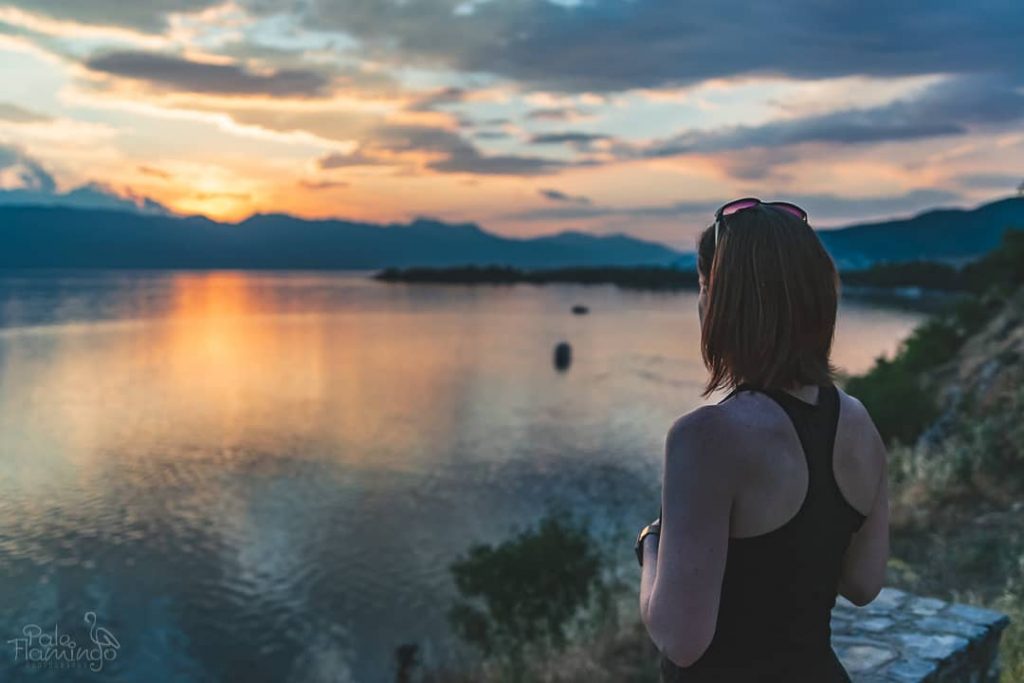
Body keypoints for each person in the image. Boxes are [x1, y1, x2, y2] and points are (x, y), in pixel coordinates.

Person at [636, 198, 890, 682]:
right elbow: (863, 583)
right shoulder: (858, 421)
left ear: (721, 301)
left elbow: (680, 639)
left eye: (703, 287)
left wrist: (650, 544)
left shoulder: (707, 437)